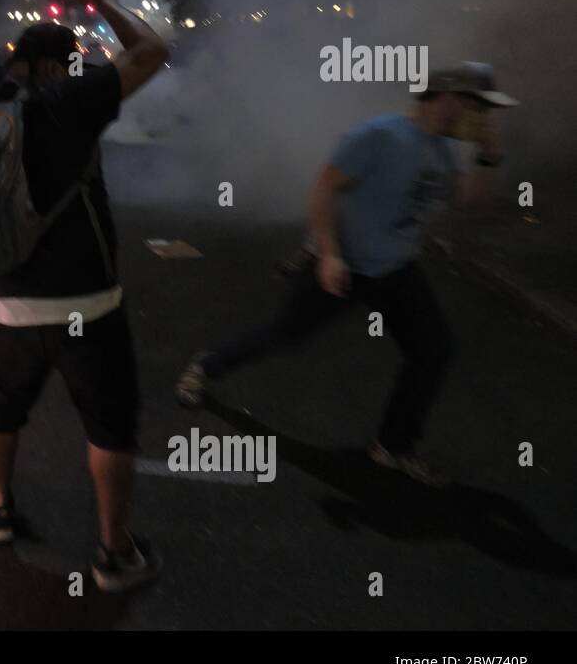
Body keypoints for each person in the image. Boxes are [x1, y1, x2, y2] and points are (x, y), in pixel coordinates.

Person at [175, 63, 518, 487]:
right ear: (447, 97)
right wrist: (331, 254)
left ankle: (392, 447)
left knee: (433, 350)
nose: (482, 117)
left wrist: (489, 156)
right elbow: (324, 189)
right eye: (477, 106)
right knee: (286, 336)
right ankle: (206, 367)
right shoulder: (378, 136)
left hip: (395, 269)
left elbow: (467, 202)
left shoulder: (442, 150)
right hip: (344, 263)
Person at [0, 0, 169, 593]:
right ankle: (113, 553)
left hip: (7, 304)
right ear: (60, 65)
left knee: (2, 410)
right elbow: (154, 51)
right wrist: (103, 1)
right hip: (89, 302)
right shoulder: (73, 101)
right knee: (110, 426)